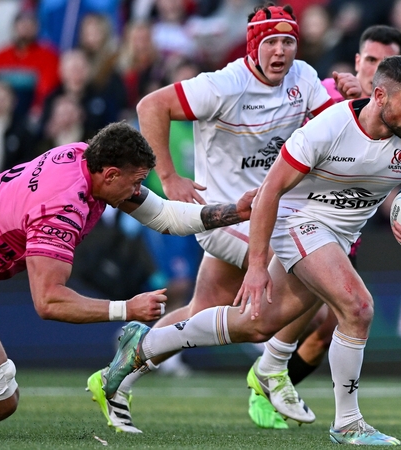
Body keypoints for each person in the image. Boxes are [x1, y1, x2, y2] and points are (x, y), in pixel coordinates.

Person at [100, 55, 401, 445]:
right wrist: (257, 264)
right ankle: (347, 422)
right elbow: (270, 192)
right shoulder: (329, 128)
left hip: (336, 237)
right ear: (379, 96)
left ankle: (142, 344)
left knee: (256, 324)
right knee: (358, 307)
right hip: (296, 220)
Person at [84, 3, 361, 434]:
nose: (280, 51)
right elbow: (150, 106)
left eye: (288, 41)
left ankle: (117, 376)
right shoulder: (225, 84)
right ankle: (272, 367)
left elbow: (337, 123)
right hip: (222, 216)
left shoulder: (303, 77)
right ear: (253, 46)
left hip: (266, 213)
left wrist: (353, 95)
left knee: (202, 310)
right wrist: (170, 176)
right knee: (305, 273)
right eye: (271, 41)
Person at [0, 121, 254, 436]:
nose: (137, 190)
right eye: (135, 182)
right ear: (110, 174)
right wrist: (126, 309)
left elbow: (164, 216)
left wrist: (235, 212)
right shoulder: (62, 208)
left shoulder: (81, 156)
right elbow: (48, 301)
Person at [246, 23, 401, 430]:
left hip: (344, 227)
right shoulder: (328, 95)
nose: (374, 71)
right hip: (286, 214)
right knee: (267, 315)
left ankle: (270, 375)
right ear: (357, 62)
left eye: (383, 63)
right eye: (370, 61)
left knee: (329, 324)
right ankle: (269, 375)